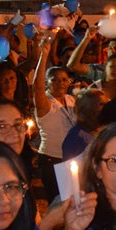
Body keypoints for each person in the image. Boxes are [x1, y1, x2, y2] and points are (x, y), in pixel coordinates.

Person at [32, 34, 76, 202]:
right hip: (51, 159)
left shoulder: (72, 100)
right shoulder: (45, 102)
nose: (61, 83)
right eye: (55, 80)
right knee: (56, 202)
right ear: (48, 83)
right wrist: (44, 55)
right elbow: (37, 87)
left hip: (70, 157)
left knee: (71, 201)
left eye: (64, 79)